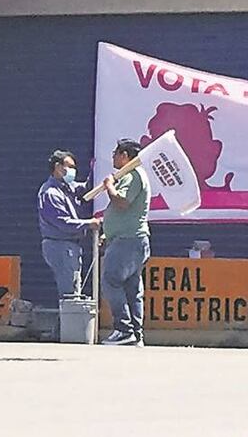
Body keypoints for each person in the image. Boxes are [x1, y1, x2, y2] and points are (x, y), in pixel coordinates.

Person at [100, 138, 152, 346]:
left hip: (128, 241)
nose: (113, 157)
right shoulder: (134, 175)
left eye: (116, 153)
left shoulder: (132, 175)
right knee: (132, 288)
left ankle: (124, 329)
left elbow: (122, 202)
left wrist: (109, 187)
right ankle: (135, 334)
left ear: (124, 155)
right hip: (131, 240)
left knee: (111, 280)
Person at [38, 150, 100, 300]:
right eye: (70, 166)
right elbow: (63, 222)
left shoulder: (67, 188)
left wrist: (96, 168)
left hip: (69, 246)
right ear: (58, 167)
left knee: (74, 288)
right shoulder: (51, 193)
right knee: (69, 293)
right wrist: (89, 223)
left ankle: (69, 315)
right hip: (60, 246)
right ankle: (69, 316)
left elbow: (87, 188)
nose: (73, 171)